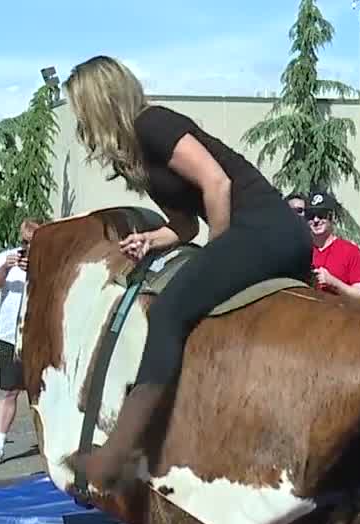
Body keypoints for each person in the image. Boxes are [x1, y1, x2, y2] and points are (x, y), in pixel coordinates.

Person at [61, 55, 312, 490]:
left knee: (167, 313)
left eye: (81, 109)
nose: (80, 122)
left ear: (99, 102)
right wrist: (150, 240)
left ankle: (119, 453)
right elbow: (184, 226)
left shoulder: (153, 123)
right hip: (255, 234)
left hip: (266, 230)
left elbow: (218, 184)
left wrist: (216, 253)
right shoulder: (136, 156)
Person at [0, 218, 37, 465]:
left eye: (33, 242)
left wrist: (36, 268)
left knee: (42, 394)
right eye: (24, 242)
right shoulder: (7, 257)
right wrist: (6, 268)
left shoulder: (49, 258)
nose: (26, 248)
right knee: (9, 391)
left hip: (39, 335)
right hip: (10, 335)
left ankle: (50, 448)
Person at [306, 191, 360, 301]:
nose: (316, 220)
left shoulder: (350, 251)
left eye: (321, 214)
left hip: (341, 315)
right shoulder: (301, 251)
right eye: (311, 216)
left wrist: (333, 282)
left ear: (332, 217)